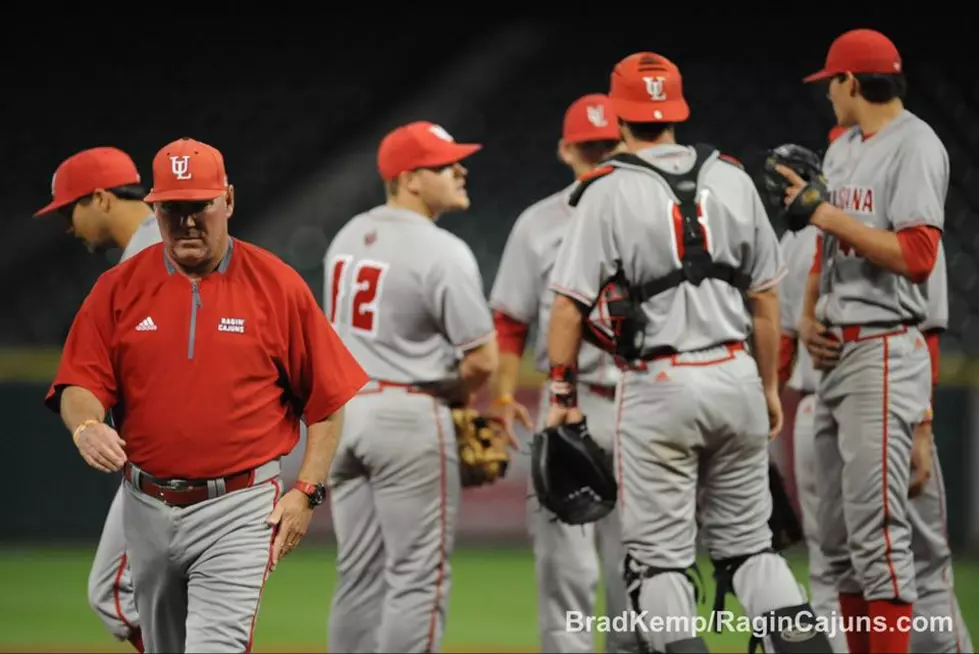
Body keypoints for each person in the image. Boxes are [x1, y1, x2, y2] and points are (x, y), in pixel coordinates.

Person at [544, 51, 832, 654]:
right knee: (752, 549)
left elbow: (568, 305)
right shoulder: (730, 175)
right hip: (736, 377)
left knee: (661, 565)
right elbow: (766, 299)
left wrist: (563, 398)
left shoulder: (607, 189)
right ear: (677, 110)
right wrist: (768, 387)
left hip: (659, 385)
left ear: (620, 115)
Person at [43, 136, 369, 653]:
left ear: (229, 201)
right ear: (155, 207)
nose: (188, 222)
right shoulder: (118, 287)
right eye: (173, 209)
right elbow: (78, 382)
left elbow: (328, 401)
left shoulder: (277, 285)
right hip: (145, 505)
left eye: (201, 206)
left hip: (238, 507)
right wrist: (86, 425)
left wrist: (307, 491)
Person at [784, 28, 948, 654]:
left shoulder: (916, 144)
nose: (827, 93)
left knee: (879, 539)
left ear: (853, 82)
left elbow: (917, 256)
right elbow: (826, 249)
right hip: (834, 351)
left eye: (831, 82)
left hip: (883, 348)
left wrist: (826, 213)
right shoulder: (846, 148)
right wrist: (809, 316)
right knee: (839, 540)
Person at [323, 121, 498, 653]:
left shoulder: (347, 235)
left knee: (358, 575)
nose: (461, 169)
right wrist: (453, 392)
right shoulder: (442, 250)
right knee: (417, 579)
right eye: (446, 164)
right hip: (407, 415)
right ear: (410, 179)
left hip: (344, 417)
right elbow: (483, 361)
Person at [488, 93, 636, 654]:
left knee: (641, 565)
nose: (597, 157)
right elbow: (509, 321)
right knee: (563, 568)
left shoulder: (650, 213)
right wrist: (504, 397)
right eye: (587, 147)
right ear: (564, 149)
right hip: (569, 405)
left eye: (608, 146)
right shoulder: (537, 224)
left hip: (644, 403)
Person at [34, 146, 162, 653]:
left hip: (169, 459)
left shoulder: (150, 254)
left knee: (115, 594)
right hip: (183, 456)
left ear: (103, 198)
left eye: (71, 210)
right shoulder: (157, 245)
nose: (69, 225)